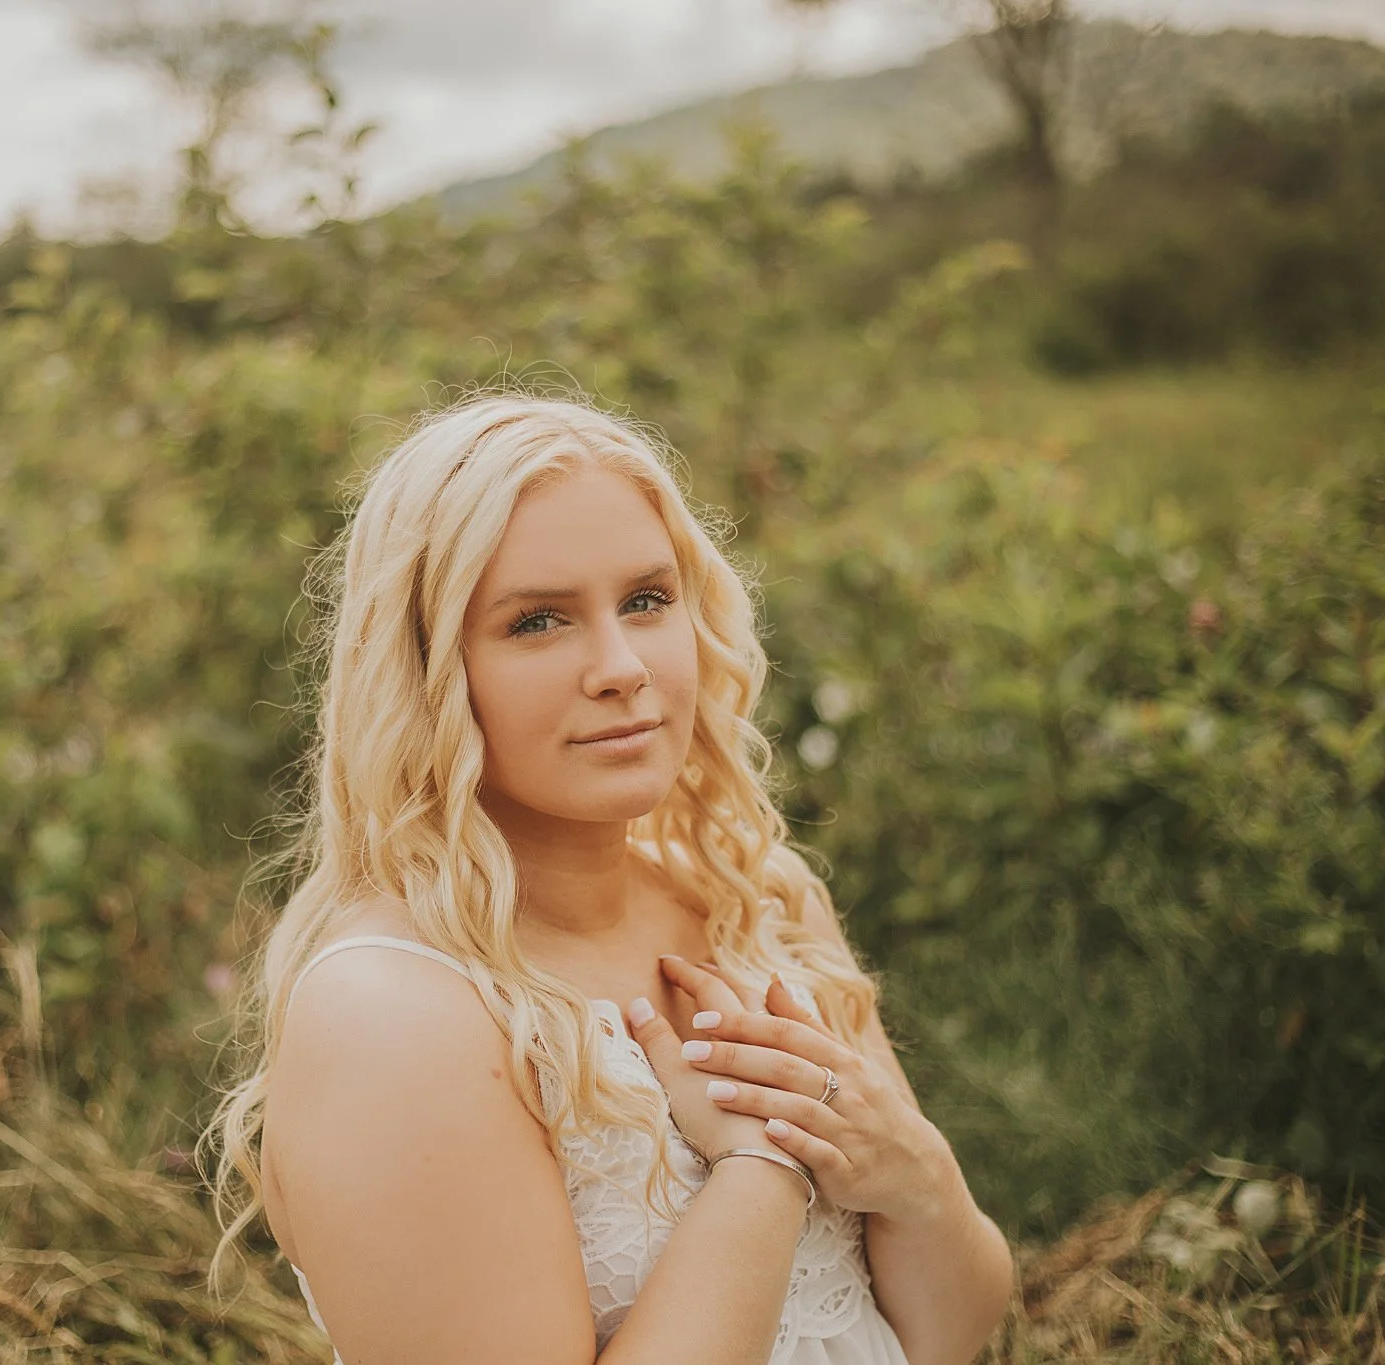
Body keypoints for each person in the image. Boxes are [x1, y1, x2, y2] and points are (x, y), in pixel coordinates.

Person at [208, 394, 1014, 1365]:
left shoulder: (757, 898)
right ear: (426, 671)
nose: (621, 667)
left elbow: (952, 1332)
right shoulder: (396, 1011)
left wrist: (911, 1172)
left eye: (644, 600)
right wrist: (760, 1168)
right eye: (537, 621)